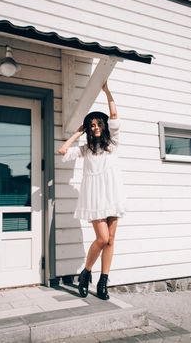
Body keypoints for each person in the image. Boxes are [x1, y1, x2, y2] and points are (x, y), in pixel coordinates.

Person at [58, 81, 126, 300]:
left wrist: (107, 91)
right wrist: (78, 132)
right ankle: (86, 272)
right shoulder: (86, 149)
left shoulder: (113, 144)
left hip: (112, 194)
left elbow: (114, 114)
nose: (96, 127)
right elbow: (62, 150)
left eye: (98, 124)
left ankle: (103, 281)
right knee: (102, 239)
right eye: (92, 125)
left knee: (111, 240)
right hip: (95, 197)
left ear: (104, 126)